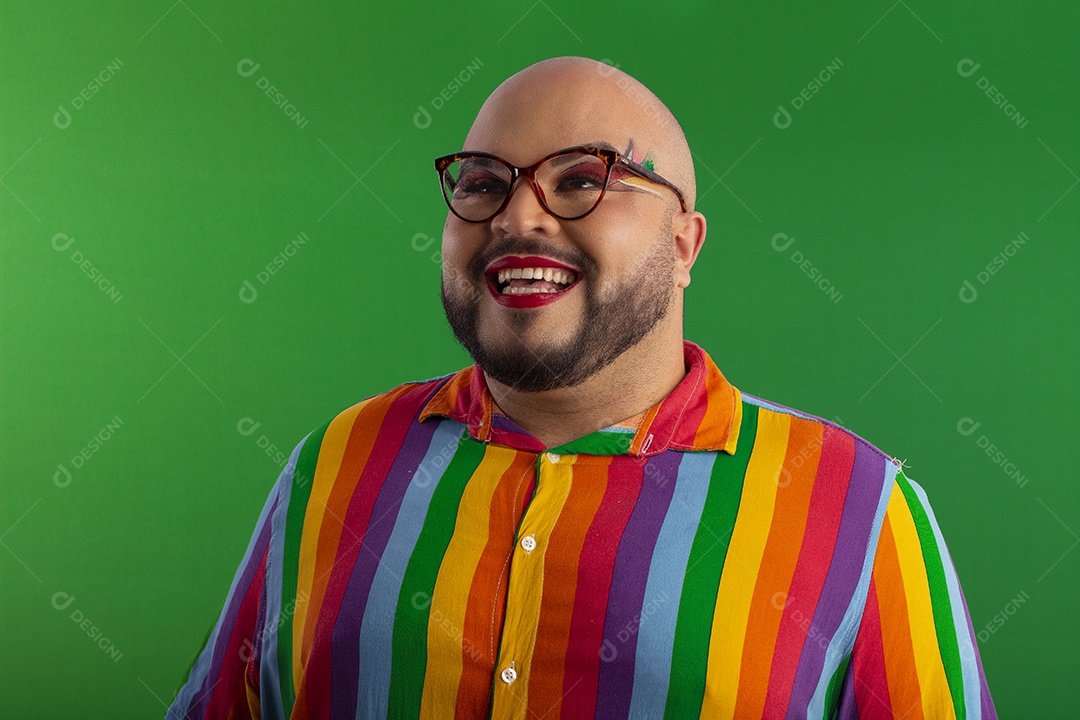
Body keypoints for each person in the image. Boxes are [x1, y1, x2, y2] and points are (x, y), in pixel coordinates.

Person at [167, 56, 996, 719]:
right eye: (483, 183)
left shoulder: (859, 507)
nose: (518, 218)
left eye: (580, 179)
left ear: (684, 243)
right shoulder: (336, 466)